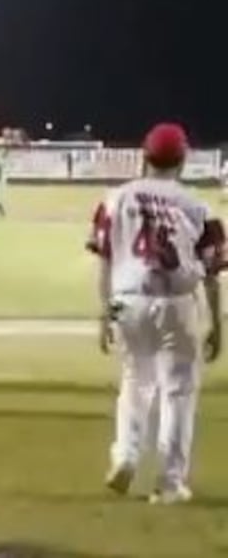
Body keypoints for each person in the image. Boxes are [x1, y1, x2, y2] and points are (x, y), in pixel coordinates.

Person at [87, 123, 223, 504]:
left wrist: (104, 312)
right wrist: (217, 323)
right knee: (178, 392)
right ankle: (169, 482)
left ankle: (126, 455)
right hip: (178, 302)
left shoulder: (115, 199)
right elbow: (212, 273)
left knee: (135, 380)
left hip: (128, 299)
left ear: (144, 157)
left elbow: (105, 260)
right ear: (182, 160)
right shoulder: (198, 207)